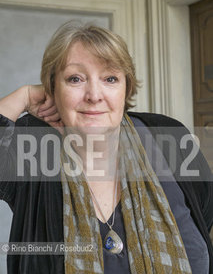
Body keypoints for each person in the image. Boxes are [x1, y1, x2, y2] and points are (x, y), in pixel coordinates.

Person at [0, 21, 212, 274]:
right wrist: (23, 96)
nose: (94, 95)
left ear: (126, 87)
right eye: (75, 79)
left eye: (110, 78)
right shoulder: (32, 146)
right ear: (53, 89)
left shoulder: (169, 136)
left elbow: (205, 215)